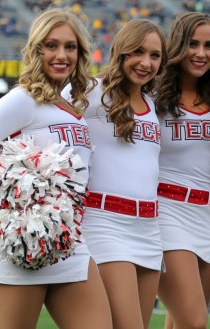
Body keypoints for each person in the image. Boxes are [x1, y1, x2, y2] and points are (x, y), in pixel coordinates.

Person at [0, 7, 112, 329]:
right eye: (51, 45)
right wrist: (11, 202)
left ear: (80, 53)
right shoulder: (22, 99)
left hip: (70, 242)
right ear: (36, 50)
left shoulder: (73, 104)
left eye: (70, 46)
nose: (61, 54)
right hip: (21, 242)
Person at [67, 18, 166, 329]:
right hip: (105, 224)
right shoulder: (89, 91)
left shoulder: (151, 103)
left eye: (155, 55)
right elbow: (38, 110)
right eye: (138, 52)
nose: (146, 63)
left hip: (149, 229)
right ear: (121, 51)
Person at [154, 12, 210, 329]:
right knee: (195, 321)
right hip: (166, 212)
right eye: (192, 44)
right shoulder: (152, 93)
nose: (201, 53)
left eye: (209, 45)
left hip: (207, 215)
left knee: (179, 322)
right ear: (177, 46)